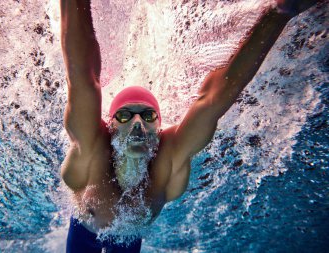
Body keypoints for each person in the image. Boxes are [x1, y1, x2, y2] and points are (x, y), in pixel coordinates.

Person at [60, 0, 318, 252]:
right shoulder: (92, 147)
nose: (138, 123)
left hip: (128, 241)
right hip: (84, 234)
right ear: (111, 125)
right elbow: (81, 76)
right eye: (126, 116)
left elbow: (214, 101)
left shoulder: (169, 157)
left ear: (159, 128)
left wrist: (280, 11)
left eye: (148, 116)